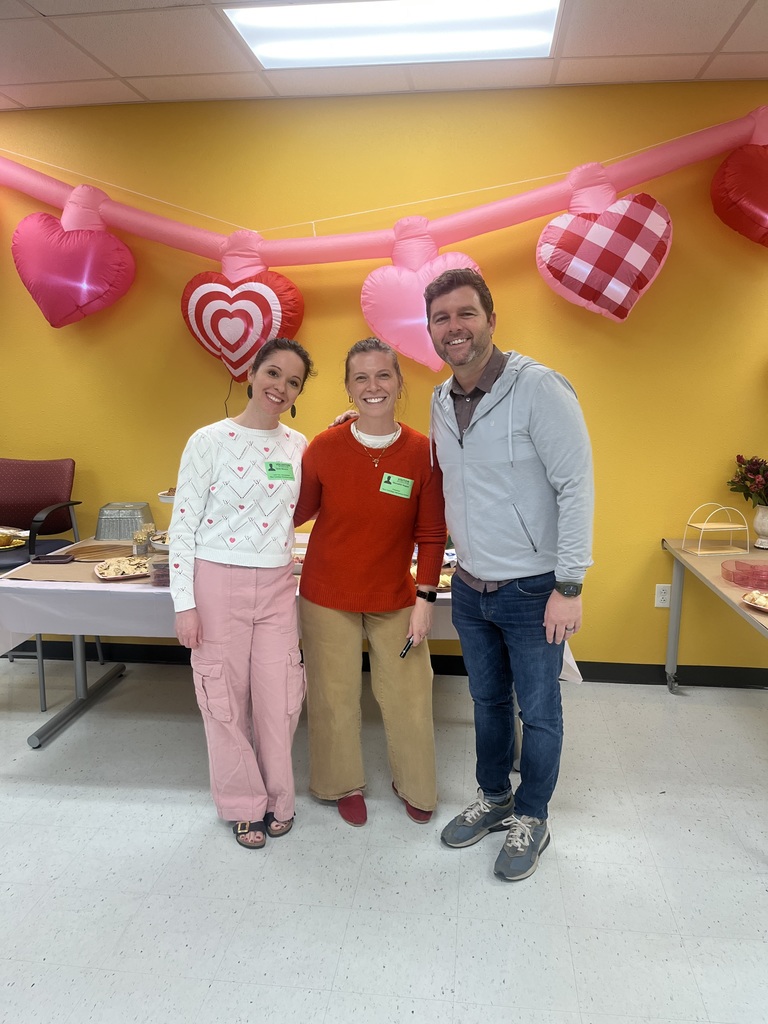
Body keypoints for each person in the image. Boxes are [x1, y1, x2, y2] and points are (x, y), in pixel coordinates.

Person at [425, 268, 593, 881]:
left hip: (534, 588)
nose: (454, 328)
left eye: (465, 313)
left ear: (491, 320)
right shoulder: (440, 401)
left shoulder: (539, 387)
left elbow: (576, 487)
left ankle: (532, 815)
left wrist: (569, 586)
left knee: (539, 711)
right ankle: (494, 797)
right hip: (470, 586)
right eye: (441, 318)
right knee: (487, 701)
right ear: (431, 331)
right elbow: (450, 479)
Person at [169, 337, 315, 850]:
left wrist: (348, 430)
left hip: (277, 585)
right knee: (223, 700)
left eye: (293, 382)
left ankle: (279, 797)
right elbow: (182, 528)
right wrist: (184, 605)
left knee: (281, 696)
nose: (280, 387)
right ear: (251, 374)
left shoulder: (299, 445)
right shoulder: (208, 440)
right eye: (273, 373)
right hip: (216, 582)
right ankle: (241, 804)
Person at [294, 338, 447, 827]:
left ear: (399, 383)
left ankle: (416, 785)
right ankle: (340, 783)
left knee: (410, 694)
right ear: (348, 387)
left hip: (394, 595)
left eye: (383, 375)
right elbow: (296, 513)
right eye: (360, 377)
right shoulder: (324, 447)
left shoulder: (423, 453)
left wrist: (425, 599)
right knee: (333, 696)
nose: (373, 386)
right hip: (326, 594)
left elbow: (431, 533)